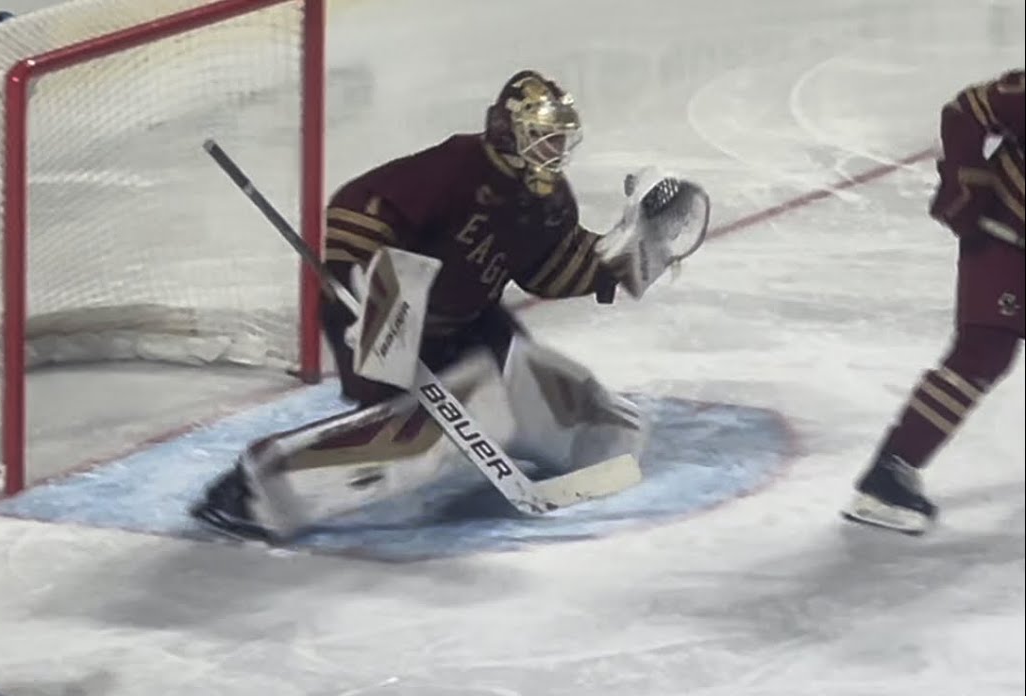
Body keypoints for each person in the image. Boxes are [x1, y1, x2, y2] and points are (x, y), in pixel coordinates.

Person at [193, 70, 707, 541]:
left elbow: (549, 271)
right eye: (544, 136)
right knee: (435, 433)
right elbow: (358, 205)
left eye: (559, 138)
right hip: (387, 318)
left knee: (602, 418)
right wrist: (362, 278)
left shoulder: (547, 199)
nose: (555, 148)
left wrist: (623, 262)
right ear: (509, 133)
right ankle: (258, 491)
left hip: (471, 322)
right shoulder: (457, 168)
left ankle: (581, 446)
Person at [842, 69, 1024, 535]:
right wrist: (968, 181)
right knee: (984, 350)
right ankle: (889, 475)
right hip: (1005, 240)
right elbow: (968, 109)